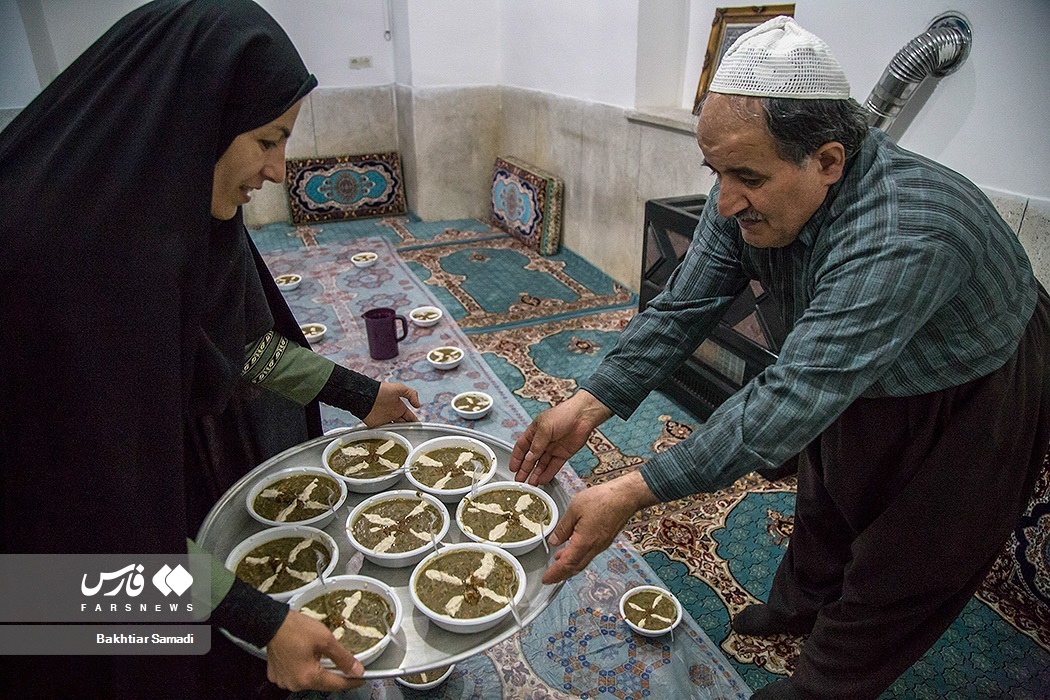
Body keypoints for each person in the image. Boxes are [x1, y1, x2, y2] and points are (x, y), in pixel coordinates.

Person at [510, 16, 1048, 700]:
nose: (726, 200)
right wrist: (588, 406)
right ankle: (796, 608)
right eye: (716, 171)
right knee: (827, 489)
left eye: (747, 177)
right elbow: (683, 307)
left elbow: (794, 395)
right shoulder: (749, 184)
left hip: (972, 380)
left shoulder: (909, 230)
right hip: (853, 363)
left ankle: (820, 687)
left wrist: (631, 492)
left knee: (910, 559)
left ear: (826, 161)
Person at [0, 0, 419, 696]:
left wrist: (360, 393)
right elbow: (94, 520)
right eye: (266, 140)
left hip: (142, 518)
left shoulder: (172, 211)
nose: (281, 170)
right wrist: (255, 616)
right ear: (201, 123)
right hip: (48, 573)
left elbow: (236, 349)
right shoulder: (59, 264)